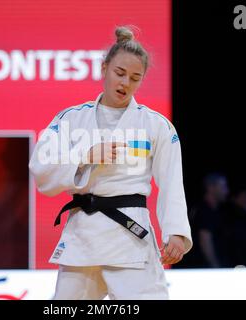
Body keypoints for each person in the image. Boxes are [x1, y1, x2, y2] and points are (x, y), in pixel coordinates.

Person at [29, 26, 192, 299]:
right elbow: (40, 170)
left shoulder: (156, 125)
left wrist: (175, 233)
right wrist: (84, 157)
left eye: (135, 78)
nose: (125, 83)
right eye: (119, 73)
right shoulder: (69, 119)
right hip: (83, 235)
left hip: (131, 237)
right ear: (104, 68)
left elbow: (172, 183)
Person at [178, 173, 229, 268]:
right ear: (211, 188)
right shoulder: (204, 211)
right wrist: (216, 266)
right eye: (223, 186)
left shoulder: (211, 210)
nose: (226, 191)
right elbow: (205, 240)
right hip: (201, 268)